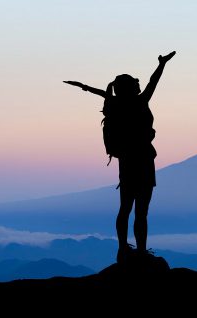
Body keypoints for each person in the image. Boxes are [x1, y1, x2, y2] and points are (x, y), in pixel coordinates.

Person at [64, 51, 176, 263]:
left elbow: (104, 94)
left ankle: (123, 248)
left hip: (126, 162)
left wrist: (84, 87)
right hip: (143, 160)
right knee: (141, 210)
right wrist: (162, 65)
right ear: (131, 88)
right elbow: (154, 82)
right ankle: (141, 251)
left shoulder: (115, 105)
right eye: (135, 84)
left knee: (125, 207)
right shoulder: (141, 102)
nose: (139, 85)